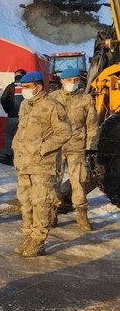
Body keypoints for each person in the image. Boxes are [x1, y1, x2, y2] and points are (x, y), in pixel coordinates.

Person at [12, 72, 70, 257]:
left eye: (26, 88)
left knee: (41, 203)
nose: (23, 91)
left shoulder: (53, 106)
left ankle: (38, 241)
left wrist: (43, 148)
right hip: (24, 163)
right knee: (25, 201)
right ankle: (28, 236)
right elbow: (22, 129)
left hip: (43, 165)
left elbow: (64, 133)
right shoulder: (24, 105)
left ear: (37, 88)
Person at [49, 67, 98, 231]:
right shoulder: (52, 98)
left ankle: (82, 216)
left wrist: (90, 148)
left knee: (78, 182)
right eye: (69, 80)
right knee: (54, 181)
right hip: (57, 147)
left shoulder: (86, 99)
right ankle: (52, 214)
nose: (73, 83)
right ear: (62, 81)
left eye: (76, 80)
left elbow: (92, 126)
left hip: (77, 147)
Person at [0, 69, 26, 166]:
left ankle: (9, 157)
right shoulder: (29, 86)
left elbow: (3, 98)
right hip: (26, 116)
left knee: (9, 135)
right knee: (25, 136)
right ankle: (23, 158)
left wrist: (8, 109)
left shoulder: (11, 86)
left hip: (12, 115)